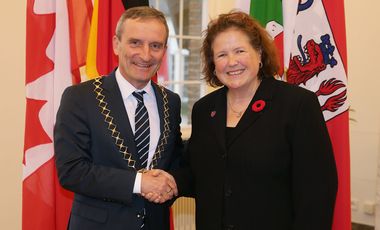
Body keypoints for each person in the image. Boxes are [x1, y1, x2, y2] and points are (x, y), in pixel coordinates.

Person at [172, 11, 338, 230]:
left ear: (259, 53)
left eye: (240, 51)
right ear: (213, 62)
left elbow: (317, 192)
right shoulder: (204, 110)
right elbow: (198, 174)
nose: (231, 62)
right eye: (221, 55)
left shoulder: (297, 105)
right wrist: (164, 182)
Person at [54, 6, 183, 230]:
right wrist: (139, 183)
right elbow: (71, 171)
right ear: (116, 44)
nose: (145, 55)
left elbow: (176, 161)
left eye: (155, 45)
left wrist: (172, 185)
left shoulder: (170, 101)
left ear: (164, 49)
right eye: (135, 43)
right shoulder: (80, 97)